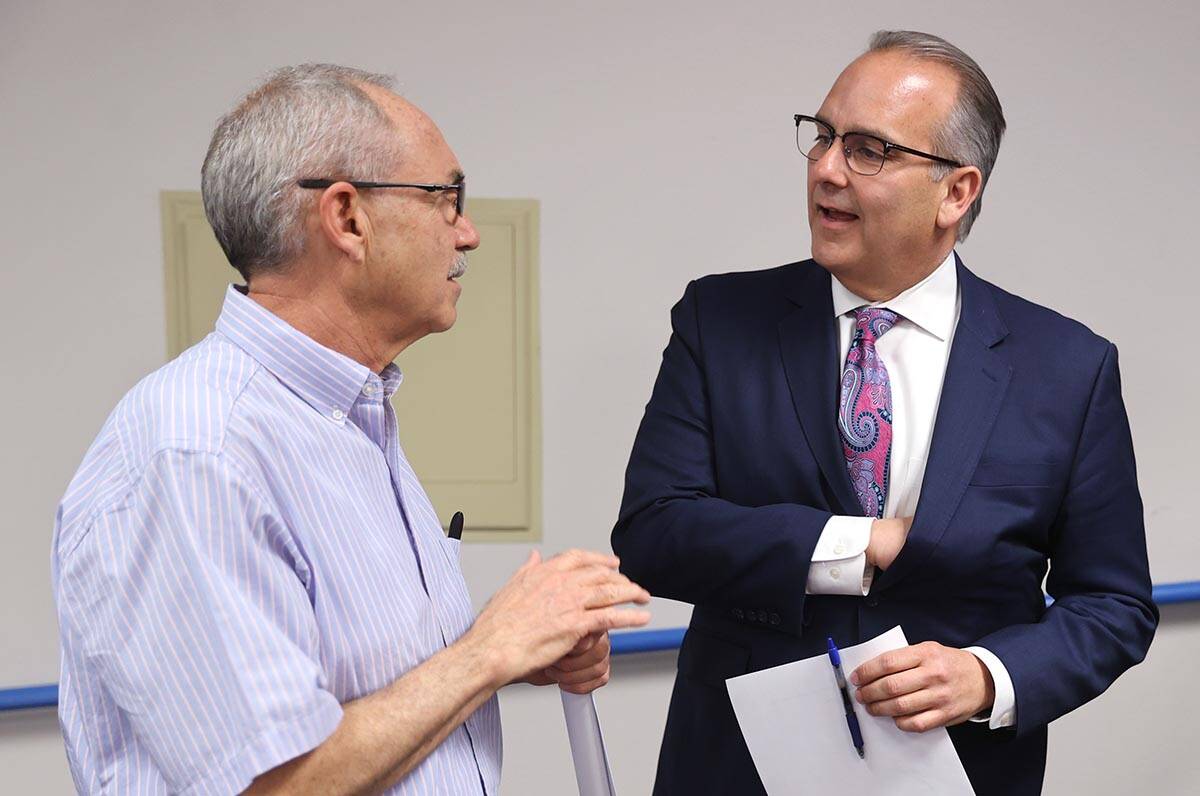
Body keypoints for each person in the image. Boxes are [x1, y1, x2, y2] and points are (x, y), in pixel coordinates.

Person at [51, 64, 651, 795]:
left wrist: (527, 649)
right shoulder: (197, 451)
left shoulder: (349, 422)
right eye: (446, 197)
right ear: (347, 218)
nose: (469, 233)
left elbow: (366, 692)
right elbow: (272, 785)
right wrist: (491, 650)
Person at [612, 30, 1156, 796]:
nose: (827, 170)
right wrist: (858, 544)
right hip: (736, 769)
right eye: (824, 137)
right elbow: (654, 531)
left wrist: (986, 676)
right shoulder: (720, 319)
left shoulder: (1067, 367)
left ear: (957, 191)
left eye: (869, 149)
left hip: (961, 769)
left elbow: (1113, 603)